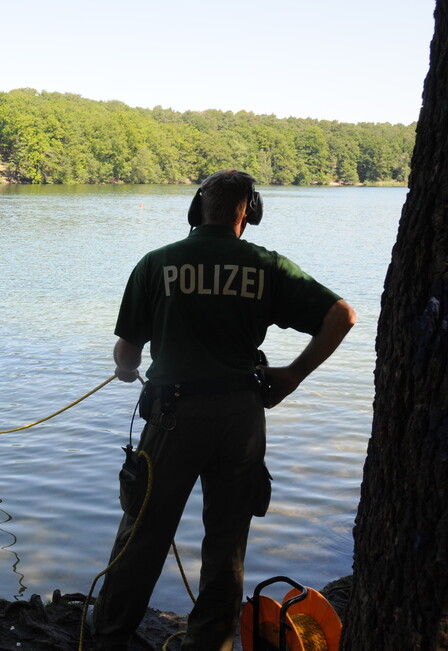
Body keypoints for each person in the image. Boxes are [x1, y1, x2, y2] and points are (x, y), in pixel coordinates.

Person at [90, 169, 356, 651]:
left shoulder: (157, 263)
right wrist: (292, 376)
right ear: (248, 212)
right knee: (227, 542)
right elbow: (343, 316)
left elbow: (127, 355)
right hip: (241, 420)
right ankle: (211, 643)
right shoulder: (266, 265)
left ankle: (110, 637)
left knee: (144, 532)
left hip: (174, 417)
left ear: (198, 208)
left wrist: (127, 369)